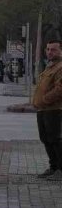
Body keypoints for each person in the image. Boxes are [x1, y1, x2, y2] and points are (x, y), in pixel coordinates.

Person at [33, 40, 62, 179]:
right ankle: (53, 167)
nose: (50, 52)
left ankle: (60, 170)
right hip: (43, 110)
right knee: (45, 138)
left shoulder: (60, 67)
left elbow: (59, 89)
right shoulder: (50, 67)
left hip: (54, 110)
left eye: (54, 50)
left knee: (55, 139)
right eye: (48, 49)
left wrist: (44, 100)